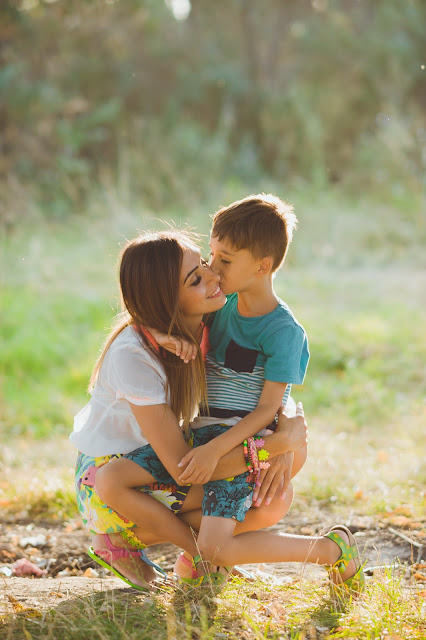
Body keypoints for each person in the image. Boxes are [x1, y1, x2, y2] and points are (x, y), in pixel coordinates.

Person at [91, 207, 364, 598]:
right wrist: (157, 333)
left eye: (224, 261)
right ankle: (200, 560)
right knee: (111, 479)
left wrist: (262, 445)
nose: (214, 271)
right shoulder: (223, 309)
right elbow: (163, 305)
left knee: (216, 546)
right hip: (200, 439)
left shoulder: (284, 331)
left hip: (235, 444)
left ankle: (331, 550)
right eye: (210, 257)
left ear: (262, 266)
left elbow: (271, 404)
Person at [70, 229, 310, 591]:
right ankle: (194, 554)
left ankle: (204, 555)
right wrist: (274, 447)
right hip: (108, 477)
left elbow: (262, 382)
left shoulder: (207, 320)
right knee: (266, 495)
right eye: (196, 279)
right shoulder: (132, 356)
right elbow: (183, 470)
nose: (214, 276)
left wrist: (283, 423)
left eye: (205, 264)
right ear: (167, 300)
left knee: (272, 489)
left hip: (162, 457)